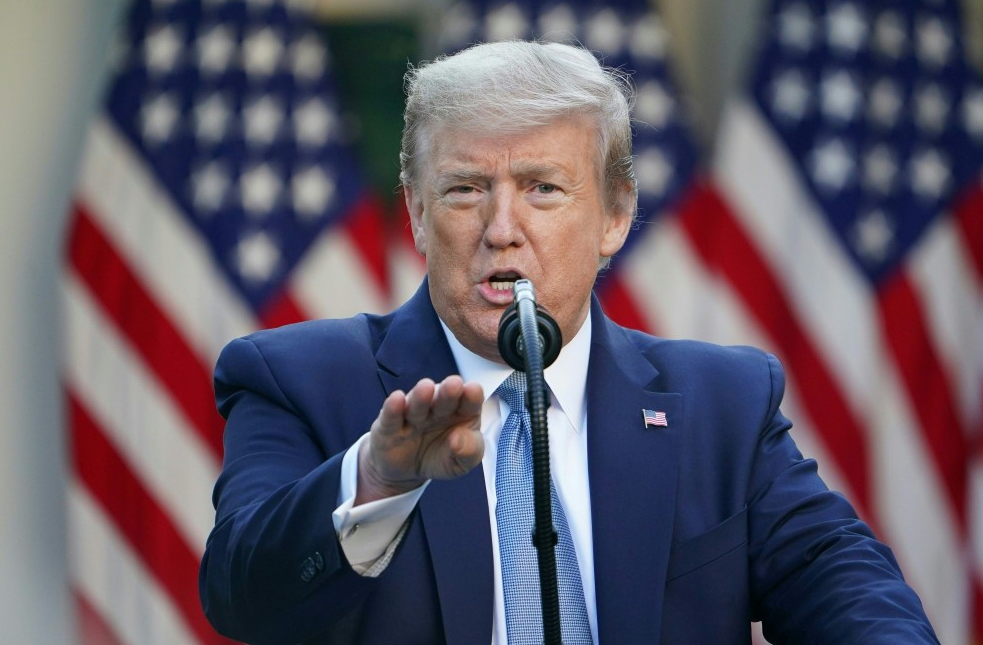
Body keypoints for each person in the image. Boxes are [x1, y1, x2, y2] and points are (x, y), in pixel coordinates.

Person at [199, 40, 937, 644]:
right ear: (419, 215)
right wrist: (375, 481)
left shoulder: (723, 405)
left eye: (543, 189)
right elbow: (240, 597)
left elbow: (845, 585)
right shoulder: (296, 379)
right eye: (465, 189)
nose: (501, 229)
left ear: (615, 217)